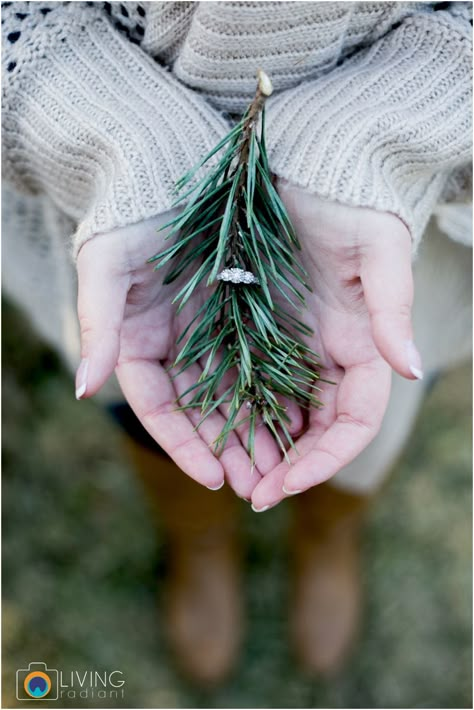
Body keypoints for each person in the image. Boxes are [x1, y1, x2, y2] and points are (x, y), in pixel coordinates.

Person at [2, 0, 472, 685]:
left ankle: (329, 534)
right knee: (152, 404)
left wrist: (384, 137)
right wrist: (101, 130)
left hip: (390, 223)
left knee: (370, 390)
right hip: (130, 224)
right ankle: (199, 538)